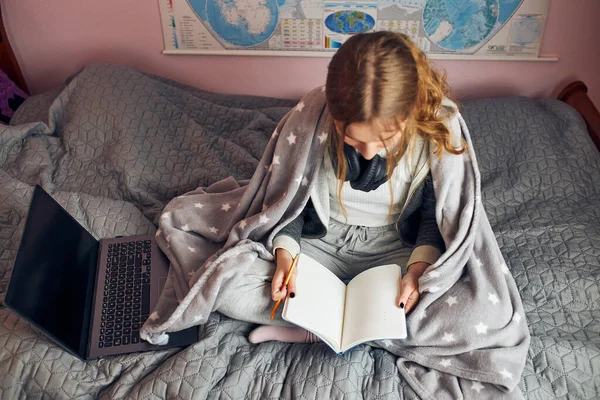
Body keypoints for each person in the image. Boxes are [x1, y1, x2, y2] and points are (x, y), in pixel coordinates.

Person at [217, 31, 465, 344]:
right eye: (354, 140)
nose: (368, 153)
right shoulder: (312, 122)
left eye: (385, 141)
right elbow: (291, 202)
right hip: (321, 239)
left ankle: (317, 324)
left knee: (450, 304)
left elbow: (435, 217)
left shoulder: (433, 135)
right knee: (226, 284)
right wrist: (285, 256)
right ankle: (343, 328)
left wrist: (418, 269)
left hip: (394, 247)